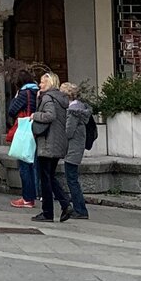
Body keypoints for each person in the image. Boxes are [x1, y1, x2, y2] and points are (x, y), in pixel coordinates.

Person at [30, 70, 74, 222]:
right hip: (58, 141)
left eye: (42, 82)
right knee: (49, 176)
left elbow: (50, 115)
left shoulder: (48, 98)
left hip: (47, 142)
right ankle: (63, 204)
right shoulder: (60, 98)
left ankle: (51, 210)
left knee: (46, 177)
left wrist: (34, 115)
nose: (40, 85)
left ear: (49, 83)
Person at [59, 80, 93, 220]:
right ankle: (80, 209)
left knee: (72, 180)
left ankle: (80, 210)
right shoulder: (80, 108)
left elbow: (68, 131)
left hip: (73, 148)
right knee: (73, 179)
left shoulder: (73, 111)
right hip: (77, 147)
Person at [6, 76, 39, 210]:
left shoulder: (24, 93)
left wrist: (15, 97)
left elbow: (12, 111)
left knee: (24, 165)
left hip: (25, 130)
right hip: (36, 130)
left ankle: (27, 198)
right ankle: (35, 194)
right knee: (33, 165)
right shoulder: (37, 92)